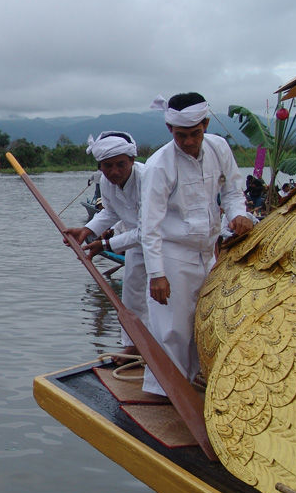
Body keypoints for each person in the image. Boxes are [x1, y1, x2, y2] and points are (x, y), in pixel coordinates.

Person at [141, 93, 253, 396]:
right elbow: (149, 227)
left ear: (205, 124)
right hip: (173, 253)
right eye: (181, 136)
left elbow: (232, 190)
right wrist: (156, 275)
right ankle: (169, 395)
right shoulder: (158, 166)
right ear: (170, 130)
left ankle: (198, 383)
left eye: (195, 134)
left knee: (207, 319)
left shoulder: (219, 147)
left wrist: (238, 215)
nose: (189, 142)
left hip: (209, 250)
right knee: (173, 329)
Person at [63, 131, 147, 365]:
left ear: (132, 160)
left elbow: (148, 229)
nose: (114, 171)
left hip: (164, 243)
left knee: (167, 300)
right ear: (100, 166)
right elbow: (110, 212)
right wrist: (87, 230)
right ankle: (133, 346)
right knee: (131, 296)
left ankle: (164, 351)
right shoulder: (106, 183)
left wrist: (106, 244)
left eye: (121, 164)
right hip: (135, 243)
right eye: (107, 166)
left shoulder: (148, 179)